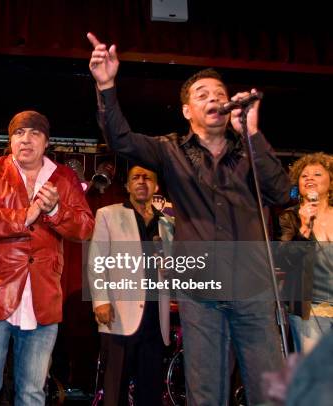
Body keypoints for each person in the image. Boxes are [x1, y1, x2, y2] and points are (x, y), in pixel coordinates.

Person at [87, 32, 290, 405]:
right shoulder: (170, 151)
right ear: (187, 111)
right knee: (205, 392)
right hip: (201, 292)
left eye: (219, 93)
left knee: (269, 392)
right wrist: (107, 86)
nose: (213, 98)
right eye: (202, 95)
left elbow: (280, 193)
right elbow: (121, 140)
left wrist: (253, 134)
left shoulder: (249, 151)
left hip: (253, 287)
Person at [0, 110, 94, 405]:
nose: (26, 139)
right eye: (19, 133)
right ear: (10, 141)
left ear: (46, 142)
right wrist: (25, 216)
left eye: (34, 133)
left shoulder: (64, 177)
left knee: (33, 394)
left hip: (42, 299)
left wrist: (56, 212)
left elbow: (85, 228)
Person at [87, 166, 173, 405]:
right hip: (118, 313)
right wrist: (101, 300)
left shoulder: (167, 223)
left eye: (148, 178)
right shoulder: (108, 214)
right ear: (127, 186)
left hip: (156, 316)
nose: (142, 182)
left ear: (156, 187)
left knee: (151, 387)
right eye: (136, 177)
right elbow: (97, 260)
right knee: (116, 387)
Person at [278, 152, 333, 354]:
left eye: (317, 174)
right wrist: (304, 229)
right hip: (310, 312)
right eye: (304, 175)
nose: (309, 178)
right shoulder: (290, 218)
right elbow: (284, 260)